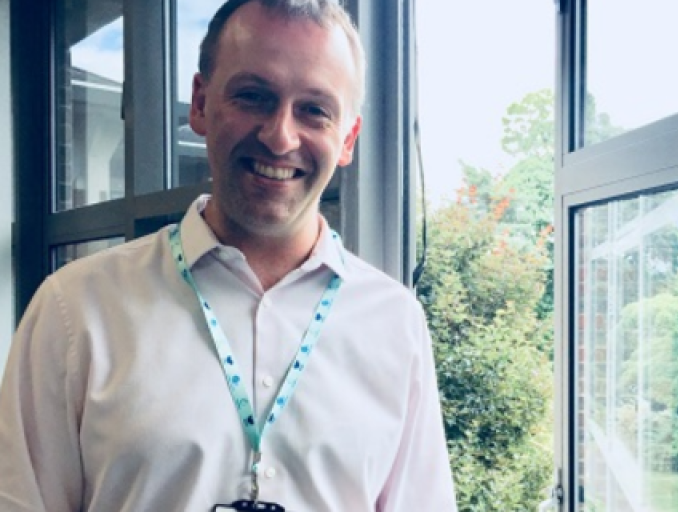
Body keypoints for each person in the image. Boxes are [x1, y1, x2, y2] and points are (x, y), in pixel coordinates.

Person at [0, 0, 457, 510]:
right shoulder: (76, 311)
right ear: (200, 103)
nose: (280, 136)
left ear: (347, 138)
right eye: (253, 96)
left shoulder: (395, 323)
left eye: (315, 110)